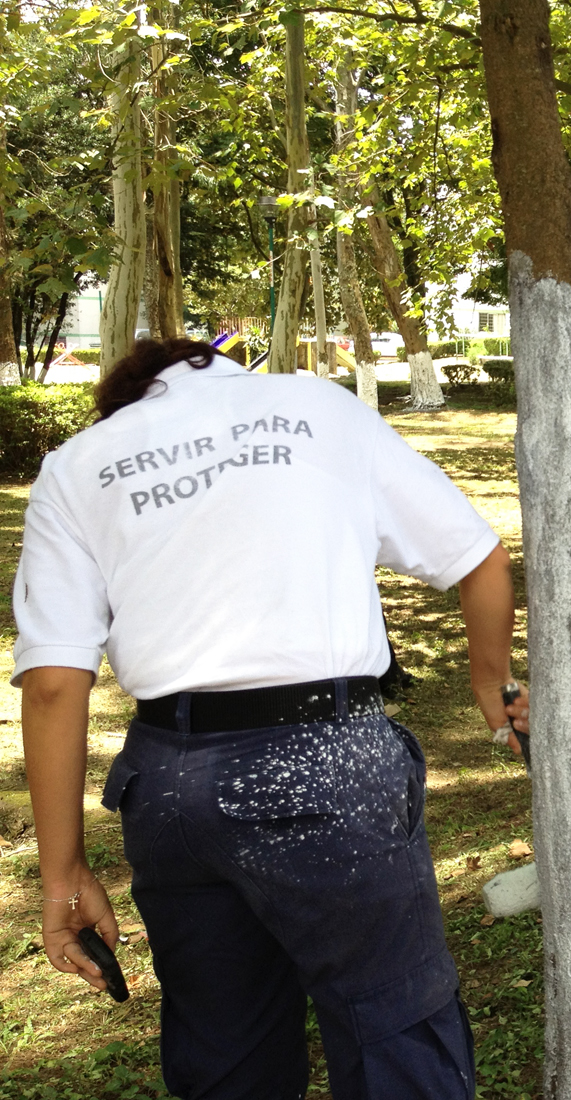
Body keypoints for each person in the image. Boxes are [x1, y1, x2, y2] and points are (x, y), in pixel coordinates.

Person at [14, 338, 531, 1100]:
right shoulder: (315, 407)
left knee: (226, 1049)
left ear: (127, 397)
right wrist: (492, 683)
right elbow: (476, 555)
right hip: (328, 763)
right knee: (394, 1029)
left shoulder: (79, 463)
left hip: (168, 784)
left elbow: (56, 682)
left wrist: (62, 873)